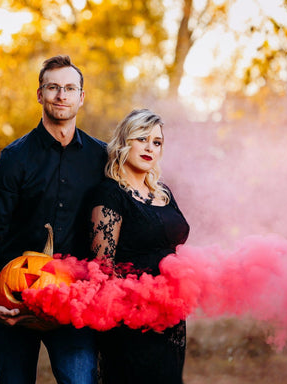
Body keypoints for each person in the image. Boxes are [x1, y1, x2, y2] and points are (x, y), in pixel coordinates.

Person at [0, 55, 107, 384]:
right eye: (53, 87)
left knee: (81, 380)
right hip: (16, 294)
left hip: (74, 298)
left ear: (81, 97)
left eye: (70, 88)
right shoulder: (14, 159)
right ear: (40, 94)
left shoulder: (102, 157)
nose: (62, 95)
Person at [89, 108, 190, 384]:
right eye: (141, 139)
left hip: (170, 316)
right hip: (131, 320)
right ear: (125, 142)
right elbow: (102, 269)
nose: (150, 147)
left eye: (156, 142)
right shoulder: (110, 193)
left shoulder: (163, 192)